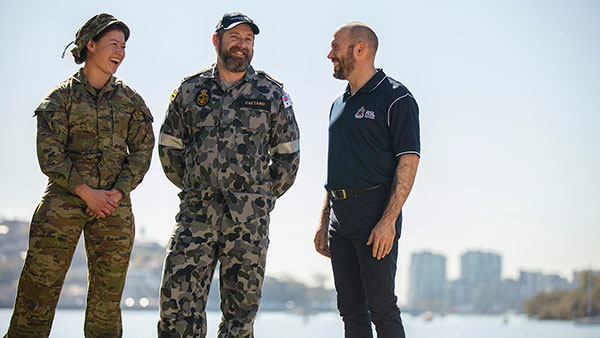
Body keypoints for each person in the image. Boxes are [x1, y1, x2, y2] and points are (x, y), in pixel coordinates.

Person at [3, 13, 155, 338]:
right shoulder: (60, 99)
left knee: (107, 303)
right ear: (91, 44)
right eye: (113, 44)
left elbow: (142, 151)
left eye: (124, 46)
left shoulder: (131, 102)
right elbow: (50, 154)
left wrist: (116, 193)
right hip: (62, 204)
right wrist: (85, 191)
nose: (120, 52)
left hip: (114, 208)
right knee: (37, 295)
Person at [157, 12, 300, 338]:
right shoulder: (191, 91)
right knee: (177, 308)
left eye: (248, 40)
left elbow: (288, 156)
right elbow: (169, 149)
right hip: (196, 215)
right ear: (217, 41)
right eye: (235, 38)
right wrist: (196, 187)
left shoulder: (271, 93)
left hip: (248, 224)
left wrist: (259, 198)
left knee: (240, 317)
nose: (242, 46)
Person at [314, 22, 420, 338]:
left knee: (382, 308)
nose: (329, 54)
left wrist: (388, 220)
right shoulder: (338, 104)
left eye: (336, 47)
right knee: (350, 311)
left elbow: (409, 161)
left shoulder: (396, 98)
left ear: (360, 50)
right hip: (340, 218)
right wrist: (324, 220)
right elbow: (336, 168)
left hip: (375, 213)